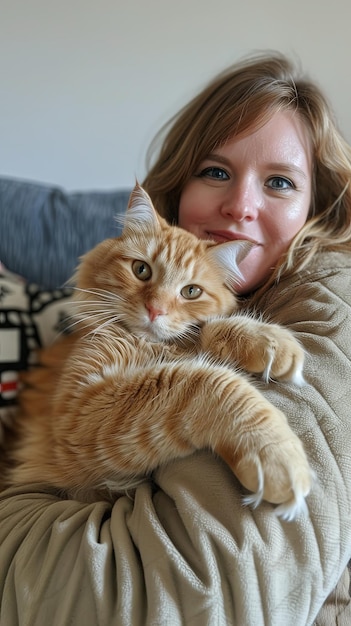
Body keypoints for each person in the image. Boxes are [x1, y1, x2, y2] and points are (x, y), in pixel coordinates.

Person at [1, 51, 351, 625]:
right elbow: (84, 430)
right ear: (179, 183)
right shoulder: (117, 315)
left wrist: (221, 358)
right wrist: (215, 390)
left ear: (318, 205)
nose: (239, 206)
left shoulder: (331, 296)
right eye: (216, 171)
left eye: (280, 181)